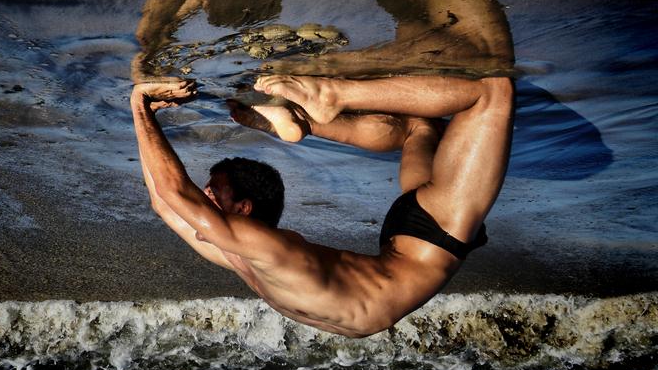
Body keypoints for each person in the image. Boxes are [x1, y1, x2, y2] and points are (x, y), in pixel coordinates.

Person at [131, 74, 513, 338]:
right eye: (212, 193)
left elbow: (165, 200)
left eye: (213, 190)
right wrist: (141, 107)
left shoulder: (247, 256)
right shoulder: (256, 246)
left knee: (431, 122)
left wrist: (148, 114)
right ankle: (322, 105)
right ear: (244, 209)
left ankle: (310, 114)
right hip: (426, 236)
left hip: (422, 241)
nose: (206, 196)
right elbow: (173, 198)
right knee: (487, 95)